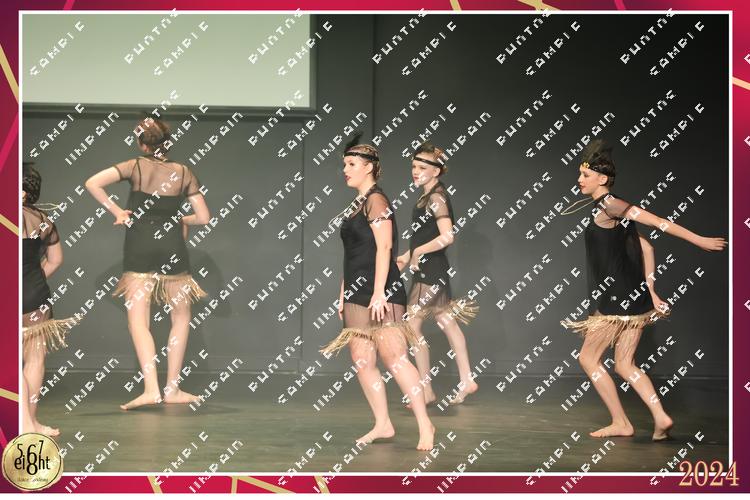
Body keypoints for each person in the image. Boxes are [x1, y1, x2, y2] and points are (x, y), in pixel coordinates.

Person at [560, 140, 727, 440]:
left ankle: (621, 422)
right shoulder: (610, 210)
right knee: (625, 364)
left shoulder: (611, 205)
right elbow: (647, 248)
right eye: (580, 174)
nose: (579, 179)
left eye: (585, 175)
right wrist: (651, 291)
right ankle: (661, 417)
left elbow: (659, 223)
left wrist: (699, 240)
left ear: (602, 178)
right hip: (634, 299)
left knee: (588, 359)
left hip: (615, 299)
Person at [85, 117, 210, 410]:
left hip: (139, 245)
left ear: (142, 144)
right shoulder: (184, 172)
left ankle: (151, 389)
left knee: (139, 321)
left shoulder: (135, 166)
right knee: (181, 318)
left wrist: (118, 211)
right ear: (168, 143)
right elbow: (204, 217)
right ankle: (173, 389)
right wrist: (180, 219)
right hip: (172, 247)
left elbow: (92, 183)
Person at [320, 132, 435, 450]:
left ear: (368, 167)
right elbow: (354, 254)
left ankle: (425, 424)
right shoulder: (358, 204)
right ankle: (383, 423)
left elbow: (384, 247)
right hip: (357, 292)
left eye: (351, 164)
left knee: (395, 357)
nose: (345, 170)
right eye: (345, 164)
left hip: (381, 291)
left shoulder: (377, 200)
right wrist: (343, 292)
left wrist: (379, 292)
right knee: (361, 359)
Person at [396, 143, 479, 407]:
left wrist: (418, 252)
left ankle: (426, 389)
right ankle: (466, 379)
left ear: (437, 171)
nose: (415, 171)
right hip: (431, 267)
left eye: (422, 167)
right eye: (413, 166)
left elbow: (447, 236)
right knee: (446, 321)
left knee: (412, 326)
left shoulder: (436, 197)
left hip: (431, 270)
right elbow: (425, 236)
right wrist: (407, 255)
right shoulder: (428, 196)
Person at [21, 162, 77, 435]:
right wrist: (32, 279)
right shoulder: (44, 221)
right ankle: (31, 423)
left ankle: (22, 423)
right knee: (34, 361)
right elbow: (56, 260)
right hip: (36, 295)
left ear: (21, 192)